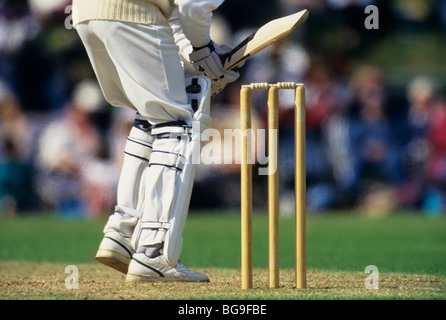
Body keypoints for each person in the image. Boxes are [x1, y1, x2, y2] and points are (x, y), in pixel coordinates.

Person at [71, 0, 239, 282]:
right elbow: (191, 6)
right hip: (133, 13)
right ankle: (154, 252)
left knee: (152, 117)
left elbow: (172, 13)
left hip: (88, 14)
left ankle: (122, 232)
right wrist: (203, 50)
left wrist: (198, 54)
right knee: (177, 124)